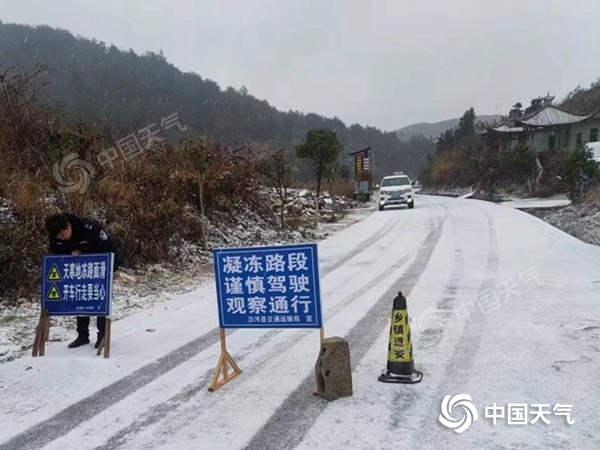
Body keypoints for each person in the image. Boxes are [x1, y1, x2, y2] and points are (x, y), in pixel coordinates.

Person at [44, 212, 121, 349]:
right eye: (59, 237)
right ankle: (82, 335)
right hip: (77, 274)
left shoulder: (90, 229)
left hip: (98, 271)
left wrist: (110, 271)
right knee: (80, 299)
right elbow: (56, 256)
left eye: (63, 235)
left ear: (68, 226)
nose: (62, 239)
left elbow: (110, 249)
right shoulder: (55, 236)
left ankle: (102, 335)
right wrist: (69, 254)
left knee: (100, 300)